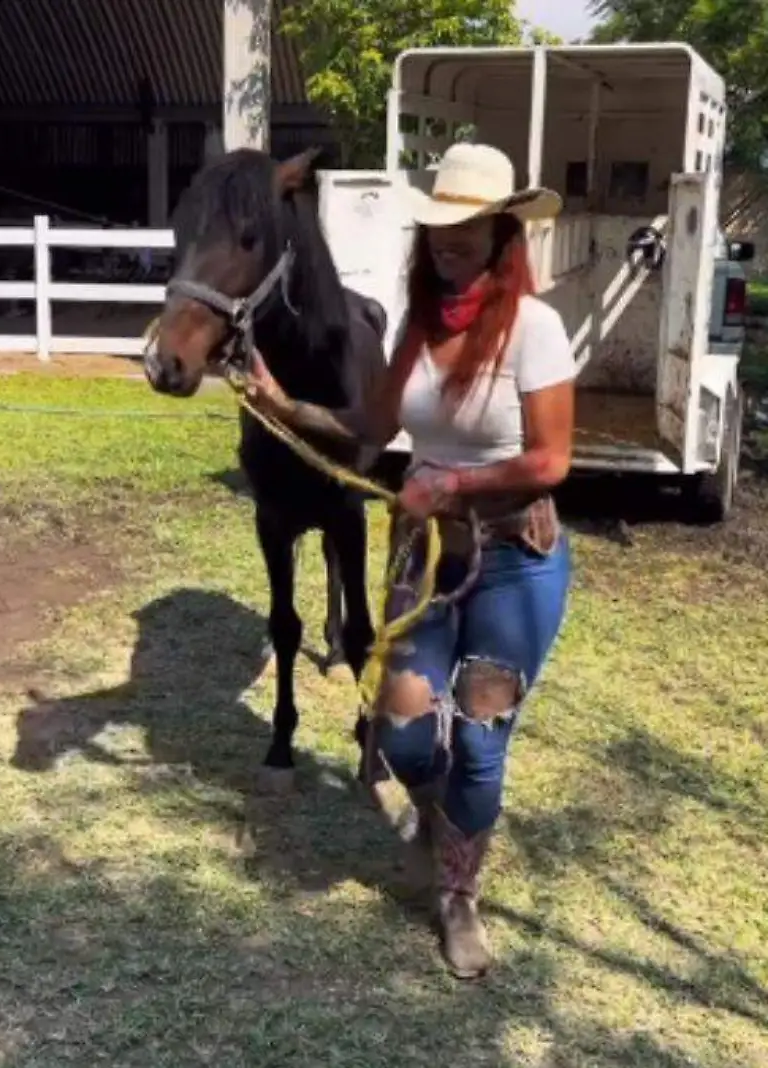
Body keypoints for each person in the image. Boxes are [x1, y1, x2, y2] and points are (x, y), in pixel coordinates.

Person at [240, 141, 577, 980]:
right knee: (405, 729)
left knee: (482, 739)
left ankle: (458, 896)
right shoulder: (421, 327)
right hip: (424, 555)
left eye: (467, 229)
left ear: (504, 234)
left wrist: (455, 481)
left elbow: (550, 462)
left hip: (514, 561)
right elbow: (370, 428)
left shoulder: (535, 329)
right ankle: (438, 823)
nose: (447, 243)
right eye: (437, 229)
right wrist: (281, 405)